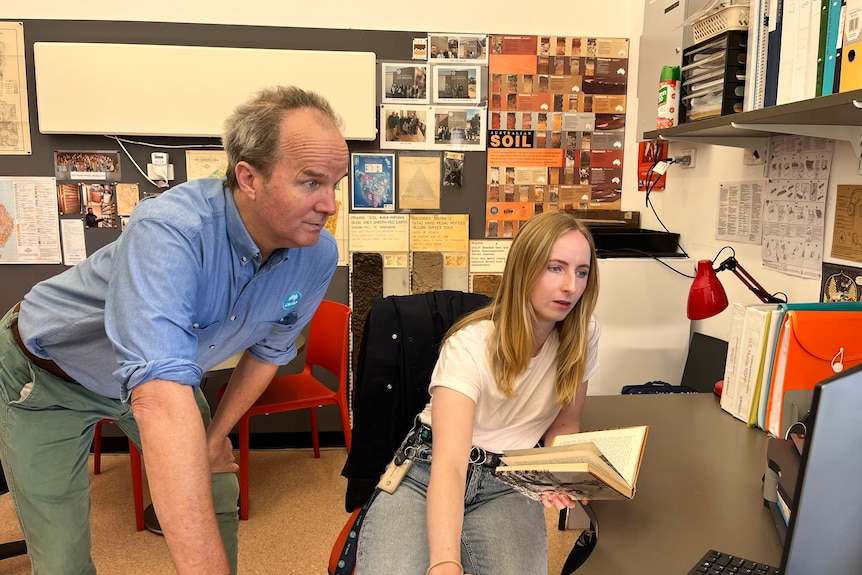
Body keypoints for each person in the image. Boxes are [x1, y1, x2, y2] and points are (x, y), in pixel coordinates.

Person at [0, 85, 349, 575]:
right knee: (60, 555)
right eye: (311, 183)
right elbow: (160, 400)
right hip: (48, 370)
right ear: (248, 176)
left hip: (157, 377)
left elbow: (268, 353)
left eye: (336, 183)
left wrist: (215, 435)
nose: (330, 204)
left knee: (216, 482)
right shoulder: (171, 229)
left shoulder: (317, 255)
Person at [354, 211, 601, 575]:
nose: (570, 287)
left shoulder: (583, 336)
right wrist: (444, 562)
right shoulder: (470, 344)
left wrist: (555, 470)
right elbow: (450, 464)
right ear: (524, 270)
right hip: (429, 470)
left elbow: (566, 422)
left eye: (581, 272)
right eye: (555, 268)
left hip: (510, 479)